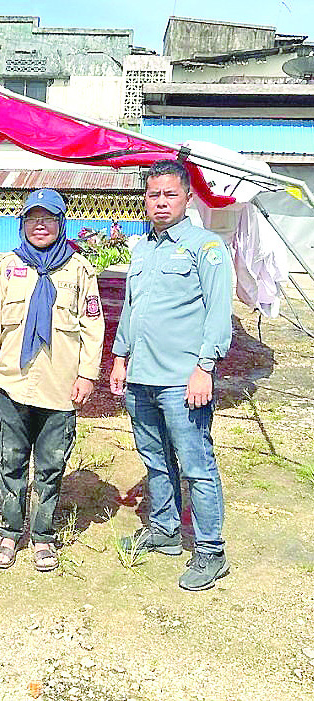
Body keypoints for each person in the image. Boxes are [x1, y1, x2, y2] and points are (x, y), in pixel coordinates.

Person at [109, 159, 233, 592]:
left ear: (186, 198)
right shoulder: (142, 248)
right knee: (155, 460)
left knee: (197, 466)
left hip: (183, 379)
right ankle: (163, 530)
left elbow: (219, 312)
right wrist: (120, 357)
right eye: (153, 194)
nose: (160, 202)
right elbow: (131, 308)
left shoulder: (206, 247)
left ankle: (210, 550)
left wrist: (205, 367)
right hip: (141, 377)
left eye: (169, 195)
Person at [0, 189, 105, 571]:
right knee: (10, 460)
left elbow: (93, 326)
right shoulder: (8, 265)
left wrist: (87, 375)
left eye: (48, 218)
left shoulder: (78, 269)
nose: (40, 225)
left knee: (50, 465)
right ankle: (11, 531)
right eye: (32, 218)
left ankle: (44, 536)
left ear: (61, 223)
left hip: (60, 386)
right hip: (13, 382)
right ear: (22, 224)